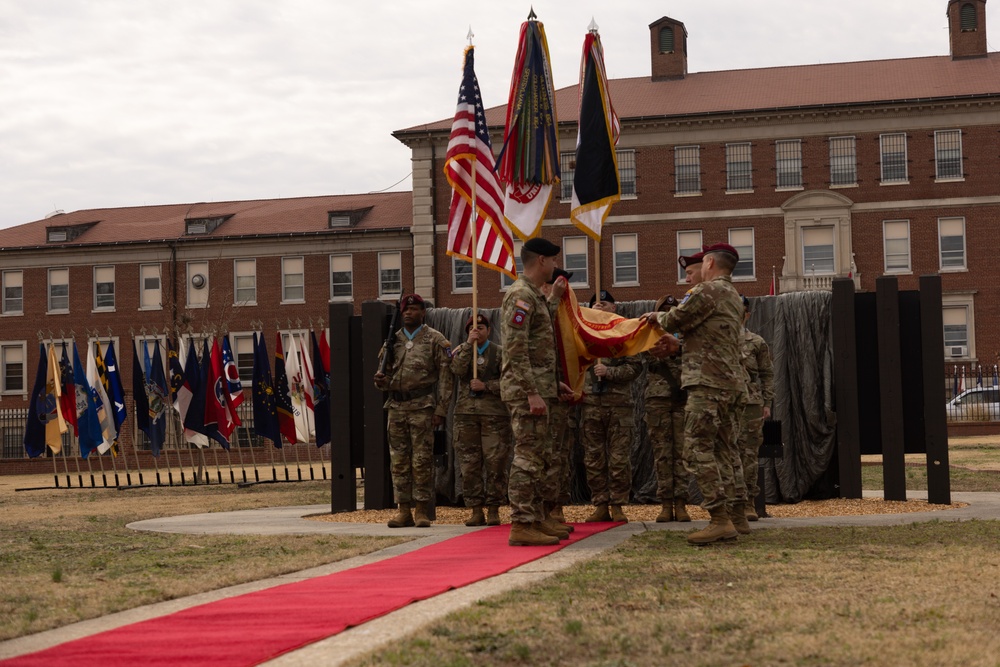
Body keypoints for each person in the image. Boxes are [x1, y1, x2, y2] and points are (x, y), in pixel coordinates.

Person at [643, 243, 747, 545]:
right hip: (729, 384)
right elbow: (710, 338)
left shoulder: (707, 291)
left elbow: (672, 320)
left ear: (710, 262)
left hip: (707, 385)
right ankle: (736, 516)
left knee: (696, 449)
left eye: (700, 265)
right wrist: (680, 345)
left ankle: (719, 519)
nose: (695, 272)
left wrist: (653, 317)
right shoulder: (733, 296)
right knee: (724, 451)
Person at [501, 237, 570, 546]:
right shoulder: (520, 296)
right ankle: (521, 524)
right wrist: (531, 391)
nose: (556, 265)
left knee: (540, 457)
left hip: (539, 388)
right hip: (525, 392)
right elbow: (516, 350)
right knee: (528, 458)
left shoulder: (534, 297)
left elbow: (539, 346)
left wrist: (551, 384)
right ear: (541, 260)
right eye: (553, 260)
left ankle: (537, 518)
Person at [373, 294, 454, 528]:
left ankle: (421, 510)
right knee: (398, 461)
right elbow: (384, 378)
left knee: (422, 460)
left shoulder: (435, 340)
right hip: (396, 407)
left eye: (414, 309)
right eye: (405, 310)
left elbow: (446, 379)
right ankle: (404, 510)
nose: (409, 313)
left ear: (423, 312)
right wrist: (380, 381)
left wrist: (441, 409)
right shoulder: (392, 341)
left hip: (422, 407)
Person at [580, 290, 641, 523]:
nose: (600, 308)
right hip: (591, 404)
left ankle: (618, 504)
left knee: (619, 458)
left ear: (613, 308)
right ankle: (600, 504)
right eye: (595, 305)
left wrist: (610, 372)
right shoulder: (584, 334)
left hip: (619, 405)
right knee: (594, 457)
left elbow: (635, 368)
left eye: (603, 304)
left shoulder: (624, 333)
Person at [450, 313, 513, 527]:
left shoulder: (500, 353)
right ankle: (475, 510)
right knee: (469, 465)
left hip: (494, 416)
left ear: (489, 330)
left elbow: (510, 382)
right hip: (466, 416)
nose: (476, 331)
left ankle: (494, 508)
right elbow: (456, 370)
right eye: (471, 328)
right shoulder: (462, 351)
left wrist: (487, 386)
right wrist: (468, 345)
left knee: (496, 463)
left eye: (481, 327)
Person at [643, 294, 692, 522]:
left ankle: (681, 504)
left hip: (683, 399)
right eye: (664, 309)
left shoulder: (689, 336)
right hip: (658, 401)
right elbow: (644, 361)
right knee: (662, 454)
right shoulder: (647, 336)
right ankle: (665, 503)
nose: (669, 311)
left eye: (672, 309)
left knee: (682, 453)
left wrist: (677, 347)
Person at [541, 268, 577, 527]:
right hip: (541, 395)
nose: (564, 288)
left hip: (562, 393)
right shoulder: (535, 306)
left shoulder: (567, 312)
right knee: (543, 455)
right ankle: (541, 511)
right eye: (557, 283)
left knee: (560, 455)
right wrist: (553, 297)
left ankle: (556, 507)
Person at [738, 296, 775, 522]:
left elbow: (767, 375)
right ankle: (728, 504)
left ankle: (748, 502)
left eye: (740, 311)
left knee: (749, 455)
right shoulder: (717, 341)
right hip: (724, 404)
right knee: (725, 453)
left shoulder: (757, 342)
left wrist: (767, 403)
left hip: (751, 404)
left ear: (747, 315)